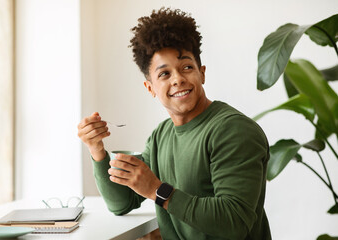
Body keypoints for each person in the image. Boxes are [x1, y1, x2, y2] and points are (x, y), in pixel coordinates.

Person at [78, 7, 272, 240]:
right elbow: (121, 204)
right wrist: (97, 150)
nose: (178, 79)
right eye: (164, 74)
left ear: (202, 74)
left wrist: (157, 191)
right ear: (150, 88)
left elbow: (234, 222)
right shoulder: (161, 136)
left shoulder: (234, 131)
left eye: (186, 68)